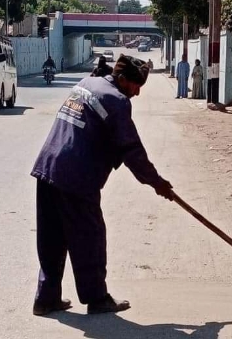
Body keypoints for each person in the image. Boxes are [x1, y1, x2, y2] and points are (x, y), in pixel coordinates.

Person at [30, 55, 174, 316]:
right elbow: (131, 150)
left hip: (47, 167)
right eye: (135, 85)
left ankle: (45, 299)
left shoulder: (86, 83)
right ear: (121, 79)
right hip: (76, 177)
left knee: (51, 238)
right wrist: (157, 183)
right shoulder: (116, 101)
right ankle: (97, 299)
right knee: (90, 237)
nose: (137, 93)